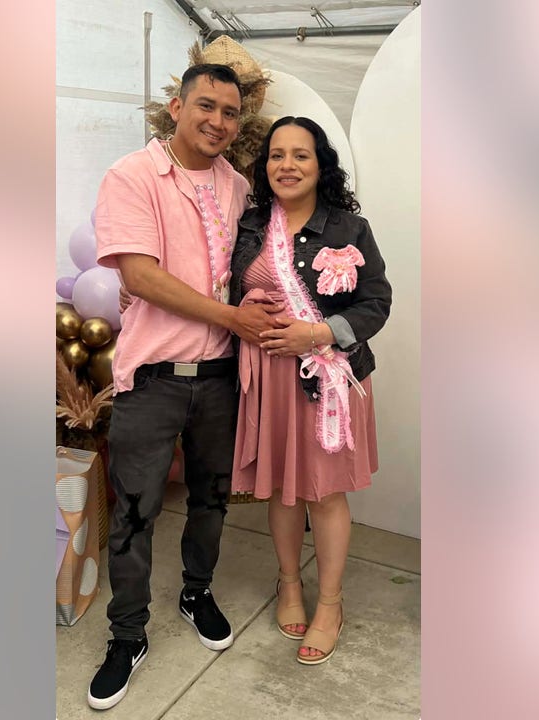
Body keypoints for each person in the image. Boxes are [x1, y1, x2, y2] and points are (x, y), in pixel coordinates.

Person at [86, 63, 283, 711]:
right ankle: (128, 634)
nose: (217, 121)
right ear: (177, 107)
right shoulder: (133, 176)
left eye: (229, 112)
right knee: (134, 512)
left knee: (211, 500)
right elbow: (140, 276)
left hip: (223, 379)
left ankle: (197, 592)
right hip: (153, 380)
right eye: (206, 106)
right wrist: (230, 316)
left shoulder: (238, 186)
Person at [227, 116, 391, 665]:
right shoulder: (251, 225)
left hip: (329, 380)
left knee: (324, 493)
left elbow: (376, 303)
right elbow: (223, 288)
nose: (287, 165)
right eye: (277, 155)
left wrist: (318, 333)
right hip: (269, 379)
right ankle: (289, 583)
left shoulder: (348, 228)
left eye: (301, 155)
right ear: (265, 164)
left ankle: (330, 603)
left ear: (321, 165)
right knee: (280, 489)